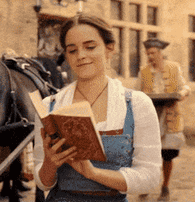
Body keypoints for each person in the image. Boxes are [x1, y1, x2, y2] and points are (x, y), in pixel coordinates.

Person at [33, 13, 162, 202]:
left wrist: (93, 173)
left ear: (110, 49)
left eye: (90, 47)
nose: (81, 55)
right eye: (72, 50)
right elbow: (42, 183)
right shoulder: (49, 106)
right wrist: (49, 164)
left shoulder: (137, 104)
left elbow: (150, 177)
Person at [138, 38, 191, 201]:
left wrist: (182, 94)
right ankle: (147, 184)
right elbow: (137, 93)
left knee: (167, 154)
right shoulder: (143, 72)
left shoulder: (174, 68)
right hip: (151, 117)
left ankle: (165, 187)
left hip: (170, 116)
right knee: (149, 155)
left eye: (153, 53)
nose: (150, 57)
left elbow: (184, 87)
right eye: (148, 54)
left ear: (161, 53)